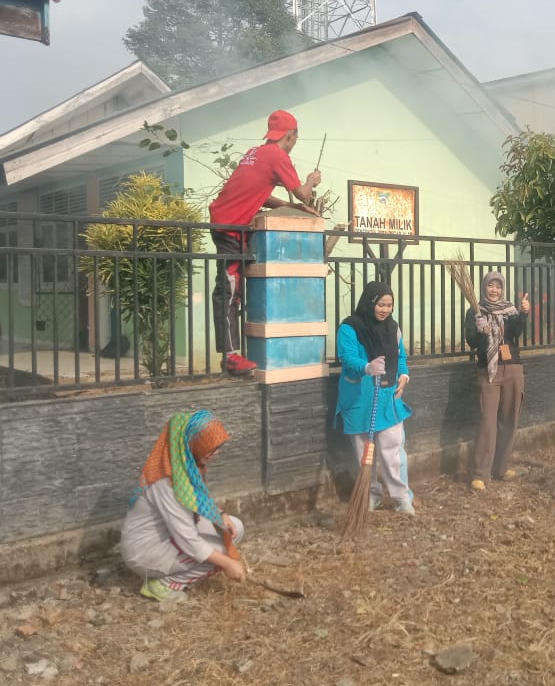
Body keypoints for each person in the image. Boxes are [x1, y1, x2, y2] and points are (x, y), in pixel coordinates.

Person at [208, 110, 322, 375]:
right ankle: (230, 357)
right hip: (231, 225)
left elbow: (259, 193)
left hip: (226, 221)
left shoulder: (257, 153)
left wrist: (289, 207)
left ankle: (233, 353)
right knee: (229, 289)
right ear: (290, 136)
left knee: (233, 288)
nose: (293, 144)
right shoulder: (278, 156)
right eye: (294, 139)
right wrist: (311, 181)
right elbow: (304, 194)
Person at [120, 410, 245, 602]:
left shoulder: (183, 466)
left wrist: (221, 514)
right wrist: (228, 564)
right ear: (193, 444)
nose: (216, 453)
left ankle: (176, 571)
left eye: (217, 447)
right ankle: (162, 584)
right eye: (210, 448)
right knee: (221, 554)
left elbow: (196, 501)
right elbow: (188, 539)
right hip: (146, 551)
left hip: (168, 535)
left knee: (234, 528)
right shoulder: (167, 482)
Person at [336, 281, 415, 514]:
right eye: (381, 304)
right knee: (364, 454)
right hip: (359, 399)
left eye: (389, 305)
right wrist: (366, 367)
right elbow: (347, 357)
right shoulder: (349, 328)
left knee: (393, 451)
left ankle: (401, 497)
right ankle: (371, 494)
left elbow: (401, 356)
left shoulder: (393, 328)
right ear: (370, 303)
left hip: (387, 398)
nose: (385, 310)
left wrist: (404, 375)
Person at [464, 271, 530, 491]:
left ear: (502, 289)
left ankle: (501, 468)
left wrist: (523, 313)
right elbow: (472, 342)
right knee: (487, 422)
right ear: (484, 288)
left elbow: (516, 333)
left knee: (509, 419)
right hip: (488, 371)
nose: (494, 290)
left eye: (498, 286)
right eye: (491, 286)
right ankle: (480, 474)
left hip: (513, 368)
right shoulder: (475, 311)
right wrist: (481, 331)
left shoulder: (510, 310)